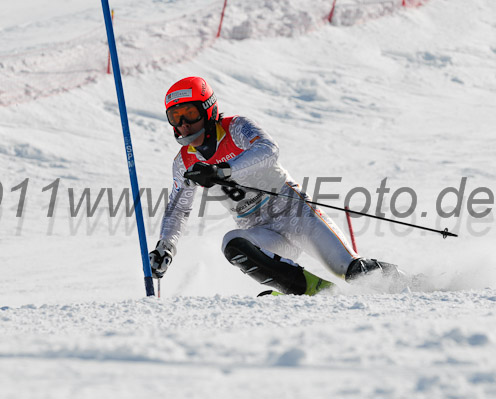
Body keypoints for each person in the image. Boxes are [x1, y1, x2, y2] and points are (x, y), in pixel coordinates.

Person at [149, 76, 399, 295]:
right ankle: (313, 292)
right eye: (175, 116)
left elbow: (268, 150)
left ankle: (412, 283)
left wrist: (222, 170)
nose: (183, 123)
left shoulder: (235, 127)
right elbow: (178, 209)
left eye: (190, 114)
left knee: (353, 271)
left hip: (295, 214)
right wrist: (166, 247)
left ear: (208, 109)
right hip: (260, 232)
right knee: (232, 243)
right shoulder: (184, 162)